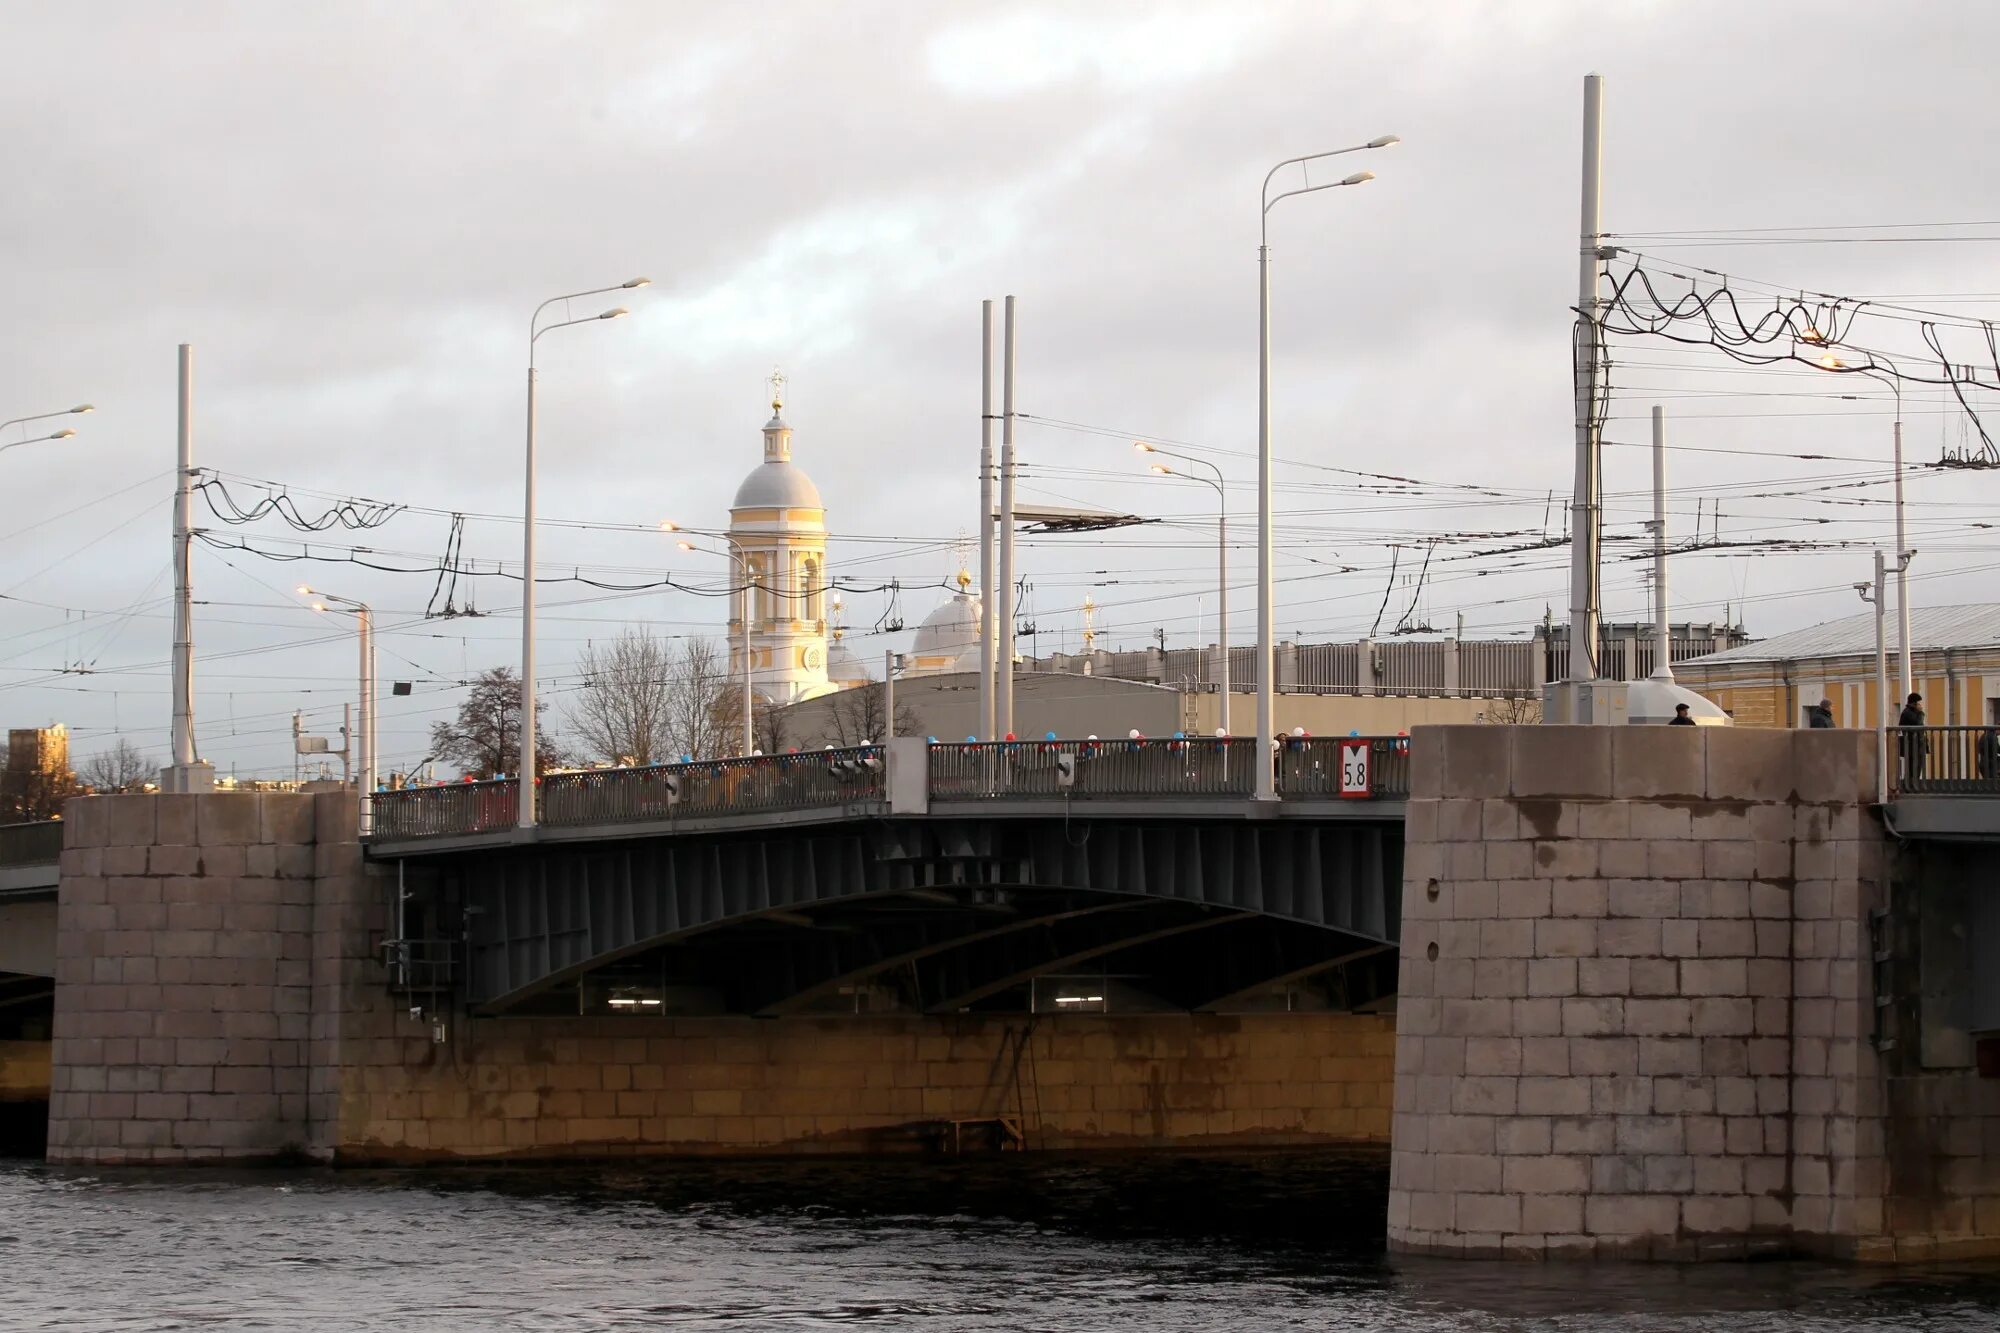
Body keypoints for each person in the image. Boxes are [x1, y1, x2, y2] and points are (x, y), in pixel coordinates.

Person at [1897, 691, 1927, 783]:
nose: (1920, 705)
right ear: (1914, 703)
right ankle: (1911, 785)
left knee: (1916, 767)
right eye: (1918, 703)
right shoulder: (1908, 713)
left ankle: (1912, 784)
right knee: (1913, 767)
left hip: (1916, 745)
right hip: (1912, 745)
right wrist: (1921, 713)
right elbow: (1918, 724)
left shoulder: (1911, 712)